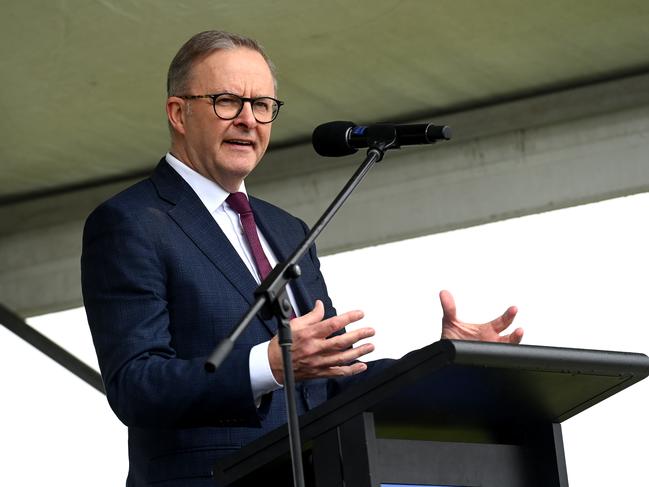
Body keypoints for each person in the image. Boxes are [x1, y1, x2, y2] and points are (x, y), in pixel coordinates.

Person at [81, 30, 523, 487]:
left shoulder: (287, 229)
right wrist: (267, 366)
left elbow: (333, 380)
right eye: (227, 101)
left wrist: (445, 361)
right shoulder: (132, 222)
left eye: (262, 105)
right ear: (178, 112)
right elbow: (136, 385)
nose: (248, 120)